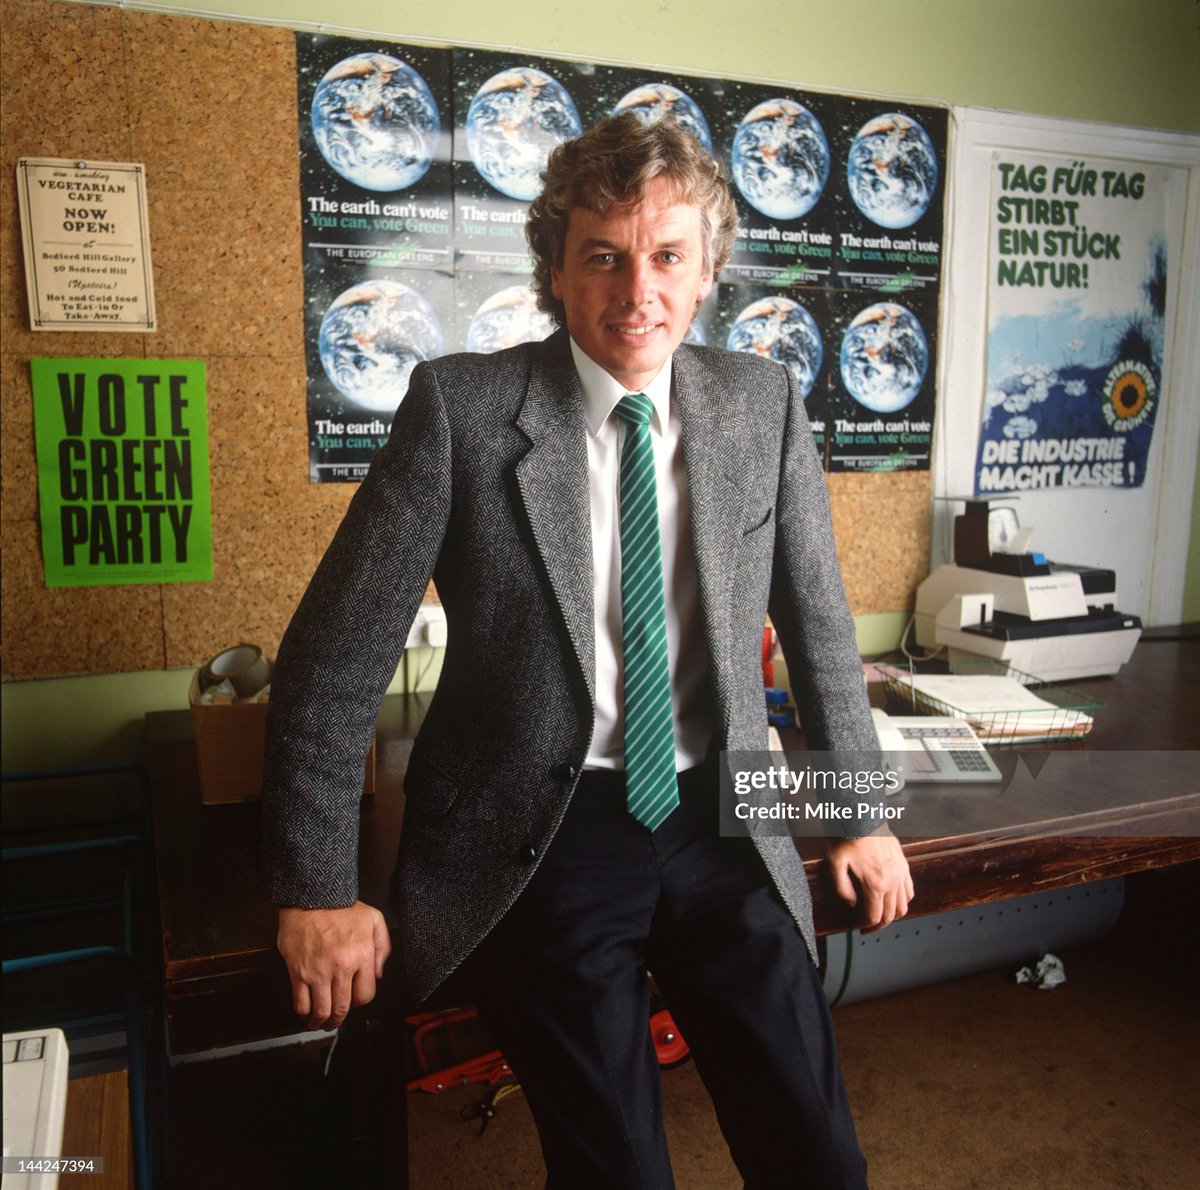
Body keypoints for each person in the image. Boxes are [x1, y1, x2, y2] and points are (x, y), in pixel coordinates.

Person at [260, 112, 912, 1189]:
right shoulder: (463, 410)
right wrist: (316, 886)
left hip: (722, 812)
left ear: (709, 274)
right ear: (556, 273)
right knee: (617, 1170)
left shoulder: (763, 405)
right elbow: (334, 657)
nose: (636, 290)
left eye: (666, 257)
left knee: (819, 1152)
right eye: (602, 257)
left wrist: (859, 811)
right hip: (545, 825)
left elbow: (819, 622)